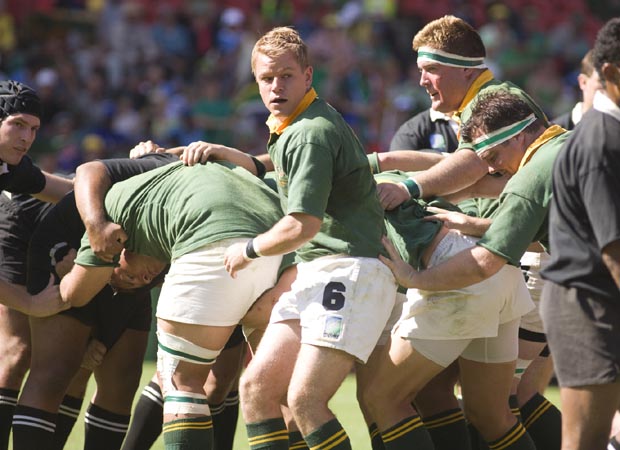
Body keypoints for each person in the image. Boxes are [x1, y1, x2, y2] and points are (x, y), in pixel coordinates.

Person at [193, 26, 397, 449]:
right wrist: (231, 155)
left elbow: (303, 224)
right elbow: (277, 165)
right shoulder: (296, 124)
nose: (276, 86)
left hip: (348, 270)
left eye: (286, 76)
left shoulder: (310, 131)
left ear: (307, 76)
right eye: (267, 78)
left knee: (305, 401)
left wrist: (249, 249)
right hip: (319, 271)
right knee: (256, 390)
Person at [370, 89, 571, 449]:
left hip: (574, 291)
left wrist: (415, 279)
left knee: (381, 398)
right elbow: (534, 234)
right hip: (513, 284)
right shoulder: (570, 143)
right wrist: (473, 225)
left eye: (493, 156)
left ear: (519, 136)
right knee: (490, 412)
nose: (492, 169)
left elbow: (484, 263)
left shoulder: (529, 178)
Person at [60, 156, 288, 450]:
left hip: (222, 240)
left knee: (181, 380)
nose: (143, 278)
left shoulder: (109, 220)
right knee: (273, 389)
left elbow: (75, 294)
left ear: (119, 248)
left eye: (127, 276)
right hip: (277, 242)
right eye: (140, 284)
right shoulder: (167, 201)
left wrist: (57, 279)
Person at [540, 17, 620, 450]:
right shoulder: (601, 140)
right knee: (585, 442)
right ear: (610, 73)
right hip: (587, 306)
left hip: (602, 301)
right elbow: (614, 248)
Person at [373, 15, 547, 210]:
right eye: (421, 71)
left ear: (466, 69)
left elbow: (470, 165)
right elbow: (451, 162)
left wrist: (406, 189)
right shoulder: (477, 101)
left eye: (432, 69)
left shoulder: (491, 100)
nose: (422, 81)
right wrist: (378, 162)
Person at [0, 79, 73, 449]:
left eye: (33, 129)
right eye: (17, 125)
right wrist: (29, 303)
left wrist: (121, 183)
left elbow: (62, 189)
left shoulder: (11, 168)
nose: (26, 137)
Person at [552, 49, 602, 130]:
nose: (611, 87)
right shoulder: (557, 131)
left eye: (615, 80)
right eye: (602, 81)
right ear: (583, 82)